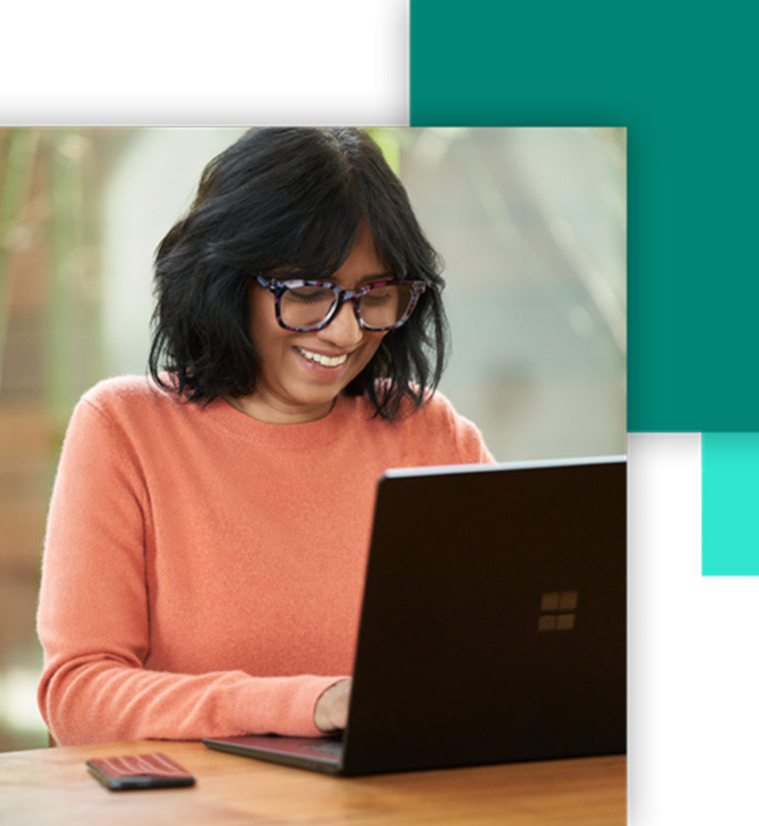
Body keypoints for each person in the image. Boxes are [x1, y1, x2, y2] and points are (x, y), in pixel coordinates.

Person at [36, 128, 493, 746]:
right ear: (224, 282)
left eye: (376, 295)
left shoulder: (429, 431)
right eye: (308, 293)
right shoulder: (124, 428)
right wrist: (306, 704)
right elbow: (79, 694)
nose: (345, 333)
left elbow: (511, 642)